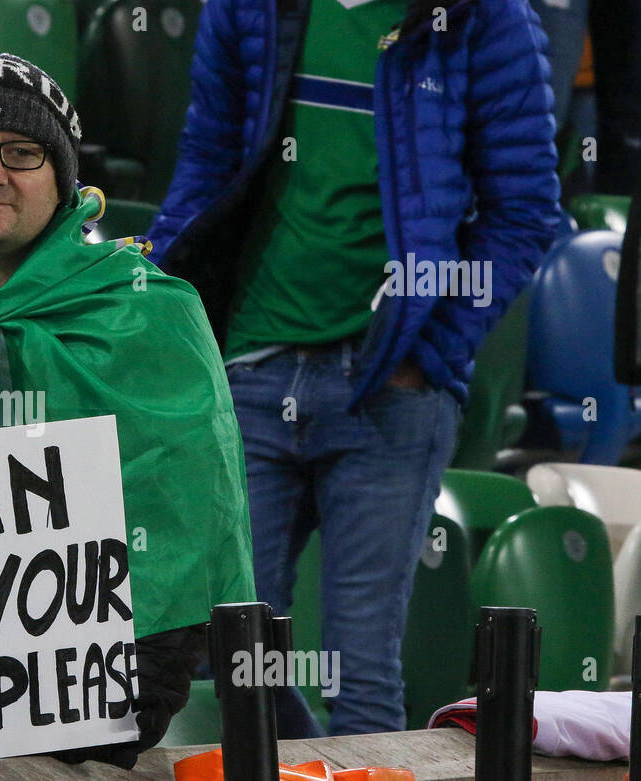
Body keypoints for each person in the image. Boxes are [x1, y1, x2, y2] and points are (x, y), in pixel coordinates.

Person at [0, 53, 263, 767]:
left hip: (79, 715)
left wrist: (138, 682)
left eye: (22, 152)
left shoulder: (148, 310)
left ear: (62, 179)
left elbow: (191, 516)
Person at [148, 0, 561, 734]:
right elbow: (205, 166)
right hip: (250, 369)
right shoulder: (247, 10)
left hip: (392, 390)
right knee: (225, 657)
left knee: (361, 678)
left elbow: (524, 209)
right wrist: (170, 316)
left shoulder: (484, 17)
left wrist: (431, 352)